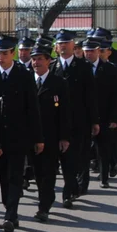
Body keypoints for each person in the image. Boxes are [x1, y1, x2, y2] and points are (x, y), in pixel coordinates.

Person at [0, 36, 43, 232]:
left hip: (19, 136)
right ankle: (10, 210)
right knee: (2, 176)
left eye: (4, 53)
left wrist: (38, 138)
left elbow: (33, 108)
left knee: (14, 176)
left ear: (12, 53)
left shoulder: (24, 75)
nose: (0, 57)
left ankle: (10, 216)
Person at [51, 30, 94, 208]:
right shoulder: (53, 67)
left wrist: (94, 120)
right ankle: (67, 188)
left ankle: (68, 192)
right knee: (55, 160)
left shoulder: (83, 67)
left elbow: (91, 96)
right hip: (54, 121)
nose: (63, 46)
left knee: (72, 158)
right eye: (60, 43)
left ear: (73, 45)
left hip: (77, 120)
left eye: (66, 43)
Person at [30, 42, 70, 221]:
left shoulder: (58, 83)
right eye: (34, 59)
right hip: (30, 136)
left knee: (48, 171)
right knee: (36, 172)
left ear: (48, 61)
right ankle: (44, 198)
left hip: (51, 135)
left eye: (40, 59)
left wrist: (64, 137)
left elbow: (65, 112)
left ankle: (44, 206)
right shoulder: (27, 80)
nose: (36, 63)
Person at [86, 38, 117, 189]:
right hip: (86, 116)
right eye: (86, 51)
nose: (88, 54)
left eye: (92, 51)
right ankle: (82, 179)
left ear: (98, 52)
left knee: (103, 148)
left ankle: (104, 176)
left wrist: (115, 117)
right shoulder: (80, 68)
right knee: (84, 150)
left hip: (105, 115)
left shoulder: (111, 69)